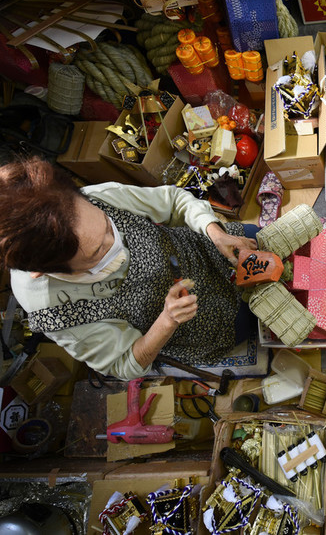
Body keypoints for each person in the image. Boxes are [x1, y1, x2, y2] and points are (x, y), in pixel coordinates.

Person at [1, 158, 258, 380]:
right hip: (210, 322)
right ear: (43, 272)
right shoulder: (57, 310)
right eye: (96, 252)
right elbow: (123, 364)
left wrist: (213, 231)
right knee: (266, 318)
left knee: (266, 245)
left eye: (107, 226)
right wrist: (167, 320)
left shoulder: (83, 202)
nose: (116, 245)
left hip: (209, 248)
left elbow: (173, 201)